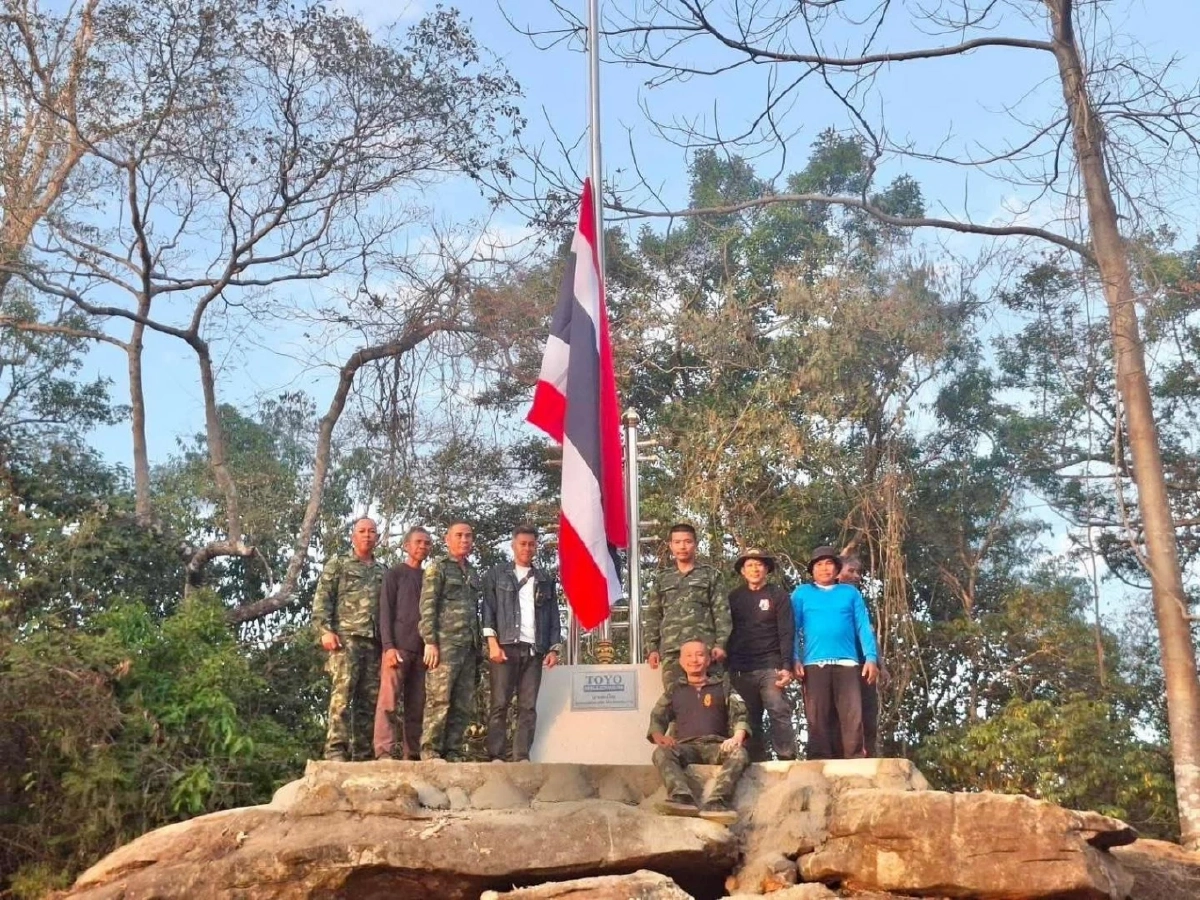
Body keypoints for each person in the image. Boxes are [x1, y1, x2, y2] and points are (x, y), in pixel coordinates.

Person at [481, 524, 562, 762]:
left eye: (531, 544)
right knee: (499, 703)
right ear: (513, 545)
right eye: (522, 544)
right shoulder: (497, 574)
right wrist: (492, 643)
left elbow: (553, 616)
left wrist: (554, 648)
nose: (527, 548)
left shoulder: (545, 579)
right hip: (505, 646)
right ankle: (495, 755)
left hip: (533, 649)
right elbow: (488, 610)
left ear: (536, 547)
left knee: (528, 706)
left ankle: (521, 755)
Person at [647, 638, 750, 825]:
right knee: (661, 753)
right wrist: (660, 737)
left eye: (699, 654)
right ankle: (681, 797)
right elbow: (657, 716)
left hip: (717, 745)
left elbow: (740, 714)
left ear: (709, 660)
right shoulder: (674, 690)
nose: (694, 660)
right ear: (680, 661)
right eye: (688, 655)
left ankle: (717, 802)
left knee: (739, 753)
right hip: (686, 747)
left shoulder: (723, 686)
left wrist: (737, 736)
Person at [791, 546, 879, 760]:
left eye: (829, 564)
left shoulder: (850, 593)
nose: (824, 569)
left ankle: (855, 760)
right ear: (812, 570)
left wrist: (871, 657)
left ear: (837, 569)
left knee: (852, 717)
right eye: (819, 565)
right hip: (814, 664)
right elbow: (791, 629)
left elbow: (863, 626)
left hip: (848, 663)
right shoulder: (802, 593)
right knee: (818, 717)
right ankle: (819, 763)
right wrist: (794, 658)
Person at [313, 517, 387, 762]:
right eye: (362, 531)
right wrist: (324, 630)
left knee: (369, 703)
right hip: (345, 640)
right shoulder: (339, 564)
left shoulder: (382, 571)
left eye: (372, 532)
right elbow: (323, 599)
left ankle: (363, 754)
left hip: (374, 644)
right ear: (353, 536)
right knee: (342, 697)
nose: (367, 535)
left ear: (377, 537)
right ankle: (336, 750)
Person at [418, 521, 482, 761]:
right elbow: (427, 607)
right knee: (439, 699)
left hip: (468, 646)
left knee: (462, 702)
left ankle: (453, 750)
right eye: (459, 535)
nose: (464, 540)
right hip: (444, 646)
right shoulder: (438, 568)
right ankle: (430, 749)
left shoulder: (472, 572)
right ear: (447, 540)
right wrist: (430, 641)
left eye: (468, 536)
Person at [726, 548, 796, 761]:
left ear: (766, 569)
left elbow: (786, 630)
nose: (755, 569)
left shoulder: (778, 595)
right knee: (747, 716)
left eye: (759, 565)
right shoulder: (734, 597)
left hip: (771, 664)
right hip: (741, 667)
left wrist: (787, 665)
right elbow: (727, 631)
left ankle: (786, 758)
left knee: (778, 709)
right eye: (750, 565)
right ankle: (755, 761)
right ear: (743, 571)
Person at [643, 523, 730, 689]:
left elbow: (722, 613)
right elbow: (654, 615)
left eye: (687, 541)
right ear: (670, 546)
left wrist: (721, 644)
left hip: (706, 651)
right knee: (676, 702)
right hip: (672, 651)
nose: (682, 546)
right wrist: (652, 648)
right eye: (677, 542)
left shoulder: (710, 575)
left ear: (695, 544)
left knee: (711, 701)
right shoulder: (662, 578)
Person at [373, 526, 432, 761]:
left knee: (416, 706)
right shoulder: (395, 573)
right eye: (418, 542)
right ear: (406, 545)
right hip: (397, 649)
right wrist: (388, 647)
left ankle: (413, 754)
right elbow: (385, 612)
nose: (422, 546)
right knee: (388, 703)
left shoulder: (431, 577)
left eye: (427, 543)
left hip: (422, 652)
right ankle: (384, 752)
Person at [838, 554, 882, 757]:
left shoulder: (859, 600)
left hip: (865, 666)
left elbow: (868, 633)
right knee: (846, 716)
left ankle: (869, 756)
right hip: (841, 666)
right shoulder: (832, 599)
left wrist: (880, 663)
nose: (856, 576)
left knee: (868, 715)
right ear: (837, 572)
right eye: (851, 571)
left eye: (859, 572)